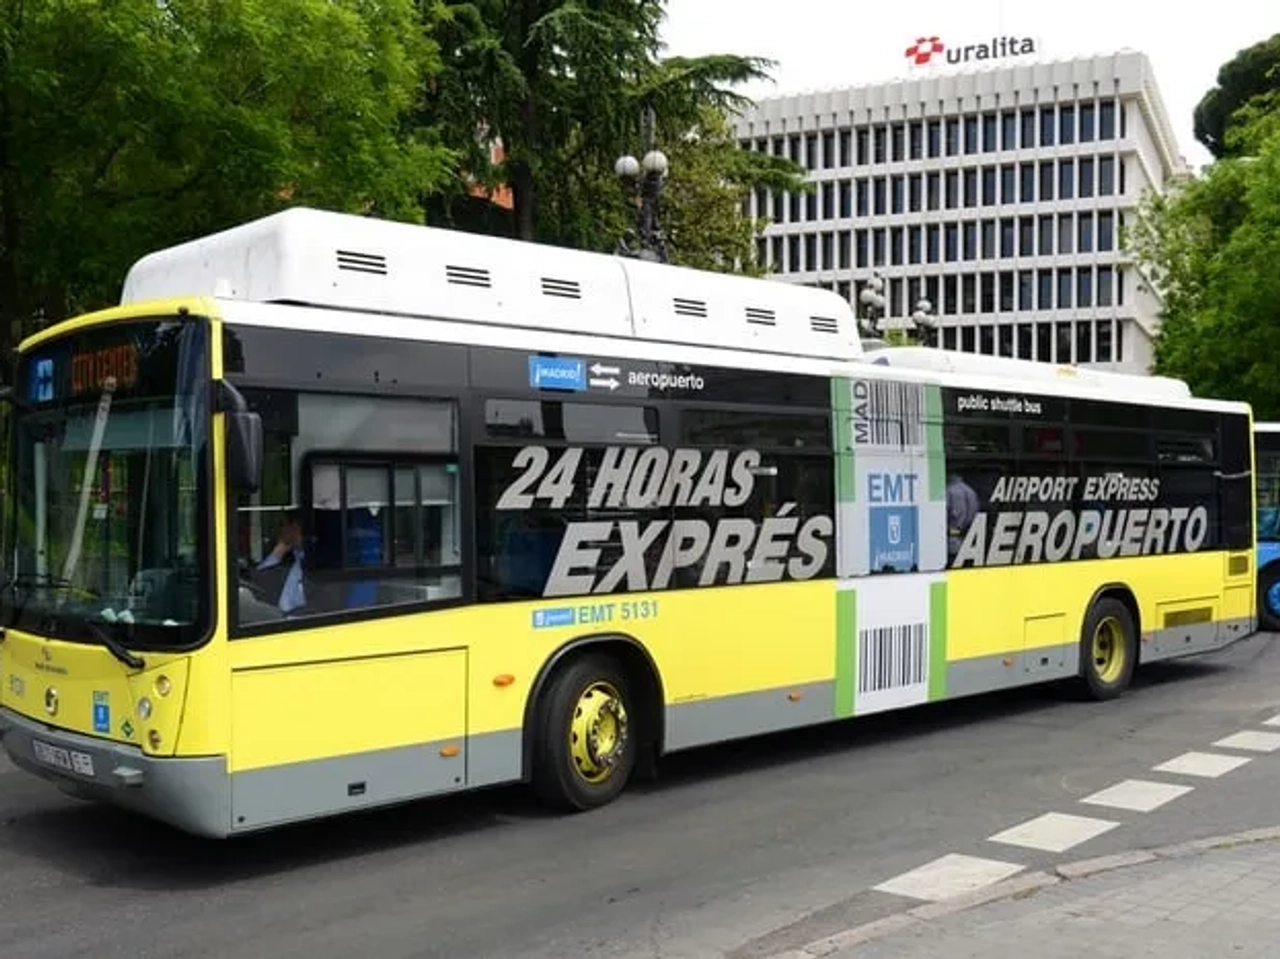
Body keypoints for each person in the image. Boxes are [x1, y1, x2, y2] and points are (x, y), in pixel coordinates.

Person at [255, 510, 307, 614]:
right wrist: (281, 548)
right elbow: (258, 579)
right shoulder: (283, 555)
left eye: (282, 525)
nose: (279, 530)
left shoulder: (309, 559)